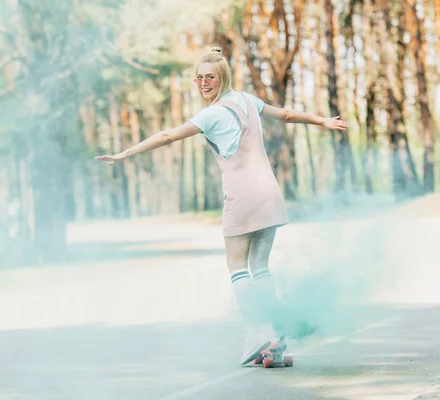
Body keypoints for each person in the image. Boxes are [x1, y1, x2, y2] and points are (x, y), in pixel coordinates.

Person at [95, 47, 350, 365]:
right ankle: (271, 334)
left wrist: (124, 154)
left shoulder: (211, 114)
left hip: (242, 196)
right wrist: (321, 121)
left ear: (222, 78)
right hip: (269, 192)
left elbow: (168, 135)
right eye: (199, 78)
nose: (203, 83)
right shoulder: (246, 100)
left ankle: (260, 332)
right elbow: (284, 115)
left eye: (210, 78)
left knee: (236, 266)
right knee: (260, 266)